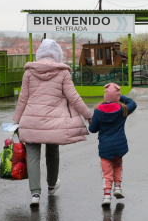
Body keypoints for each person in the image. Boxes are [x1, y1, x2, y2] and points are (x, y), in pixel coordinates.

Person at [13, 39, 92, 206]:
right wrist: (88, 115)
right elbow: (74, 97)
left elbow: (22, 99)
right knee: (52, 152)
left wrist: (16, 122)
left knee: (33, 156)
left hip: (30, 120)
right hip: (54, 122)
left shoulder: (29, 72)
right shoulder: (62, 72)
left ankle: (35, 194)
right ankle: (51, 184)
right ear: (57, 54)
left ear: (40, 52)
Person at [88, 83, 137, 206]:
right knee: (117, 166)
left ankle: (106, 195)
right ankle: (118, 188)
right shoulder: (122, 110)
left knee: (106, 172)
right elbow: (133, 103)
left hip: (105, 148)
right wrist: (120, 97)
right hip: (118, 147)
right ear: (117, 97)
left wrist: (92, 121)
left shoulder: (98, 111)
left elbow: (93, 129)